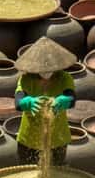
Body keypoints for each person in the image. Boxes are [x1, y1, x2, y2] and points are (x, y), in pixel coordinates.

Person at [14, 36, 79, 166]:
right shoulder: (26, 80)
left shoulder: (65, 78)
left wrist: (64, 100)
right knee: (27, 171)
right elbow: (18, 102)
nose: (46, 73)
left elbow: (71, 98)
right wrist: (28, 102)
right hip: (29, 136)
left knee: (56, 171)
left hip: (57, 135)